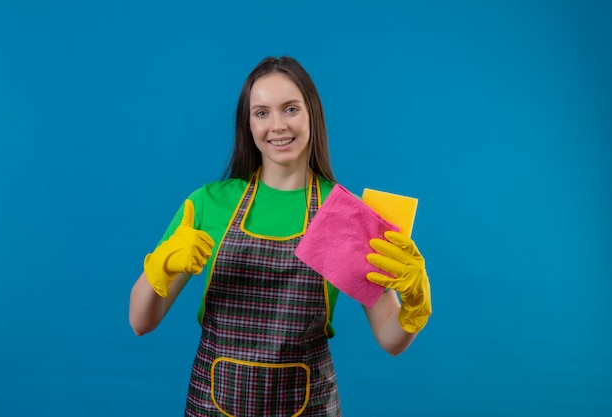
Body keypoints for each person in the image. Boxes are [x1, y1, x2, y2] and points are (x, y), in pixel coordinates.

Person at [129, 56, 432, 416]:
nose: (277, 125)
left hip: (311, 407)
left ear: (311, 115)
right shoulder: (208, 205)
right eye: (261, 113)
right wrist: (159, 269)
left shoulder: (343, 215)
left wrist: (414, 307)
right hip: (212, 405)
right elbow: (140, 322)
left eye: (290, 109)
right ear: (248, 124)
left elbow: (390, 339)